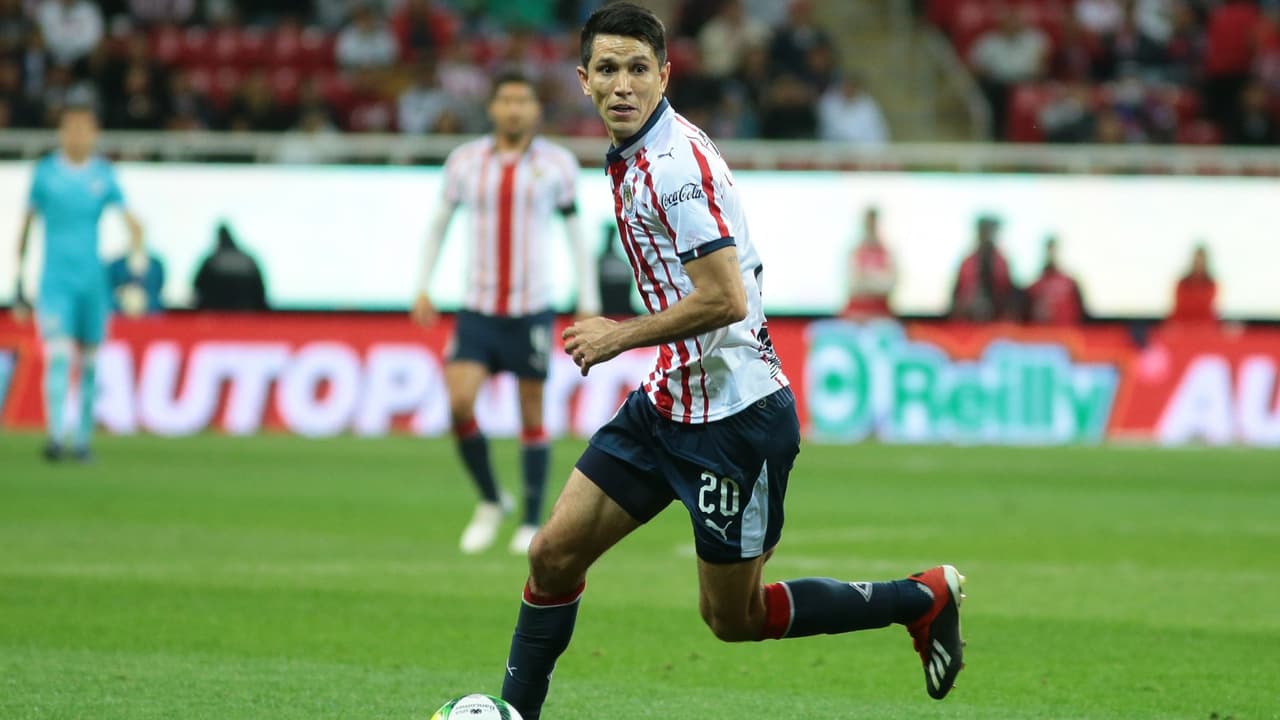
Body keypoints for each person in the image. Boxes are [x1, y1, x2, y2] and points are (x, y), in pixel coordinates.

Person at [497, 6, 966, 720]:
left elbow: (724, 297)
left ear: (664, 76)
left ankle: (919, 597)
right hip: (668, 402)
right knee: (552, 555)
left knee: (733, 618)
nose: (623, 85)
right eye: (608, 69)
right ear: (583, 80)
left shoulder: (674, 167)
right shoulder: (632, 152)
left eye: (638, 69)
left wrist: (618, 336)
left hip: (735, 420)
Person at [411, 70, 601, 556]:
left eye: (523, 100)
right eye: (507, 100)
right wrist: (422, 287)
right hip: (477, 308)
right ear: (492, 108)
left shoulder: (557, 164)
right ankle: (492, 498)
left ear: (536, 110)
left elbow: (576, 234)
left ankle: (532, 519)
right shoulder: (464, 162)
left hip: (531, 308)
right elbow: (437, 225)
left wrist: (589, 298)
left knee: (532, 412)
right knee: (459, 404)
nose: (515, 109)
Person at [13, 104, 144, 461]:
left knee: (90, 364)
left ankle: (83, 441)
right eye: (70, 128)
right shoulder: (45, 174)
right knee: (58, 356)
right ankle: (56, 436)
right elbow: (26, 226)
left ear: (94, 134)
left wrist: (135, 276)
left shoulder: (103, 174)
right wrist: (18, 281)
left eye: (84, 129)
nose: (77, 136)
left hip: (92, 283)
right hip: (55, 281)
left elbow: (134, 226)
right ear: (61, 133)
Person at [951, 215, 1017, 322]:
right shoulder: (967, 262)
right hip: (968, 319)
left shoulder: (1002, 262)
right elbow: (956, 294)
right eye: (983, 231)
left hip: (996, 319)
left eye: (989, 231)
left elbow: (1009, 294)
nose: (986, 235)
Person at [192, 222, 268, 311]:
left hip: (216, 313)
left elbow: (197, 287)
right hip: (246, 312)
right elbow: (260, 292)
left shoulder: (211, 261)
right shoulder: (248, 260)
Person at [842, 206, 897, 319]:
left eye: (873, 222)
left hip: (882, 312)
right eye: (868, 222)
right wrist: (878, 279)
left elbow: (890, 284)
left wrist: (866, 278)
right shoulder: (854, 251)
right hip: (855, 312)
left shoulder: (887, 252)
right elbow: (854, 284)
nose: (870, 226)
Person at [1025, 235, 1087, 325]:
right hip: (1044, 332)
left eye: (1053, 250)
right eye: (1049, 250)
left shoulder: (1070, 284)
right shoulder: (1035, 287)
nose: (1051, 254)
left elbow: (1081, 313)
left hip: (1068, 331)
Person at [1168, 244, 1217, 325]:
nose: (1199, 264)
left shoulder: (1211, 284)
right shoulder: (1182, 283)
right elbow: (1181, 306)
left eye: (1201, 261)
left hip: (1204, 324)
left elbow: (1204, 308)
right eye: (1196, 260)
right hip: (1181, 323)